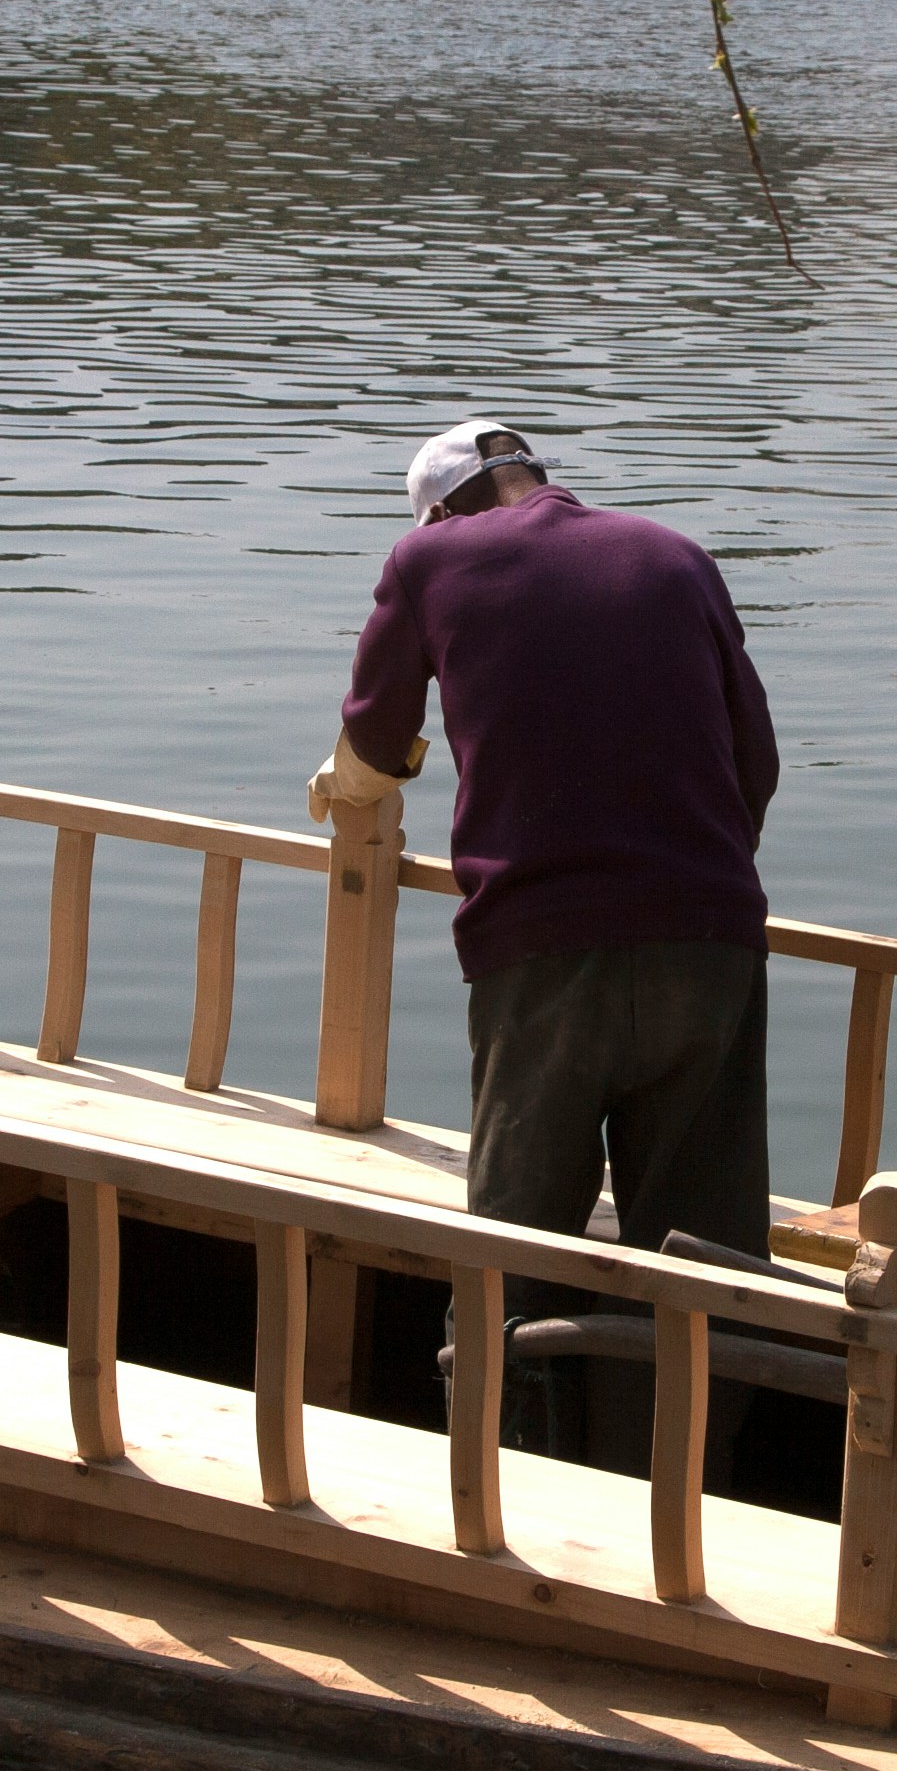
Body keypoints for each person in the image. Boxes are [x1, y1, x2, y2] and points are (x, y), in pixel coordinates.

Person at [309, 420, 780, 1293]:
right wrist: (686, 881)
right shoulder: (677, 555)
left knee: (515, 1260)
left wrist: (341, 791)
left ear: (443, 512)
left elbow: (374, 744)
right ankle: (700, 1425)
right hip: (708, 937)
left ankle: (505, 1419)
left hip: (541, 946)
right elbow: (758, 760)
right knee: (709, 1261)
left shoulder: (429, 563)